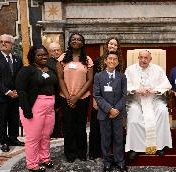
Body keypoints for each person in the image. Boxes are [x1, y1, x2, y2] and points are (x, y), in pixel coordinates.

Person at [16, 45, 58, 172]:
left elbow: (56, 87)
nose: (43, 56)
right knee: (33, 137)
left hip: (50, 105)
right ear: (32, 57)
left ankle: (44, 158)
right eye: (39, 55)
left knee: (46, 135)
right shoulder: (26, 70)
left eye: (45, 54)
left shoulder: (50, 69)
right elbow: (21, 90)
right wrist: (26, 109)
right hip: (34, 106)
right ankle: (32, 163)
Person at [125, 50, 172, 159]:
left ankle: (159, 146)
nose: (143, 60)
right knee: (133, 118)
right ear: (138, 58)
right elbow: (125, 85)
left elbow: (166, 85)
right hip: (136, 100)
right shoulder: (130, 69)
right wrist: (136, 90)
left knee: (163, 111)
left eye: (146, 58)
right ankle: (135, 148)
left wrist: (154, 90)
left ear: (150, 59)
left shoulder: (158, 69)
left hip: (154, 99)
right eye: (141, 57)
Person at [56, 32, 93, 163]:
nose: (75, 41)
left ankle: (82, 152)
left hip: (82, 98)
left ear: (82, 43)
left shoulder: (87, 59)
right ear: (69, 42)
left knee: (81, 126)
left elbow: (90, 80)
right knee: (68, 126)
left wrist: (76, 97)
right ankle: (70, 153)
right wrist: (68, 97)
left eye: (78, 39)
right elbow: (59, 78)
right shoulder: (62, 58)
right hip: (65, 97)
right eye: (73, 39)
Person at [0, 34, 23, 152]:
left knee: (14, 118)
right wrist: (7, 92)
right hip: (1, 95)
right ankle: (4, 142)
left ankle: (13, 138)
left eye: (6, 42)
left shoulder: (17, 59)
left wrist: (17, 90)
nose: (3, 43)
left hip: (15, 95)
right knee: (2, 120)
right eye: (1, 41)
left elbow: (20, 76)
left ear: (12, 45)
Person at [93, 51, 128, 172]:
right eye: (110, 59)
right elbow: (97, 95)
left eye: (115, 59)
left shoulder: (122, 77)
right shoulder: (98, 76)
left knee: (119, 138)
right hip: (104, 113)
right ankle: (107, 162)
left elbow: (124, 95)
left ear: (118, 62)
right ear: (105, 61)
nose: (112, 61)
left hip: (118, 114)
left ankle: (120, 161)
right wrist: (109, 109)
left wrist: (117, 110)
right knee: (105, 138)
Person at [89, 37, 123, 160]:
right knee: (98, 126)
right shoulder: (98, 60)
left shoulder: (120, 62)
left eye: (115, 44)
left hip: (115, 100)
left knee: (115, 131)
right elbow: (93, 81)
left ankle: (115, 154)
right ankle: (96, 152)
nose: (112, 46)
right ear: (106, 45)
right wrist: (95, 99)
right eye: (110, 44)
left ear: (117, 47)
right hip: (100, 100)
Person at [47, 42, 63, 138]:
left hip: (65, 93)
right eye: (54, 50)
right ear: (49, 52)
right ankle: (55, 134)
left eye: (58, 50)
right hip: (54, 93)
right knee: (54, 116)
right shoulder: (47, 63)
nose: (56, 52)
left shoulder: (65, 60)